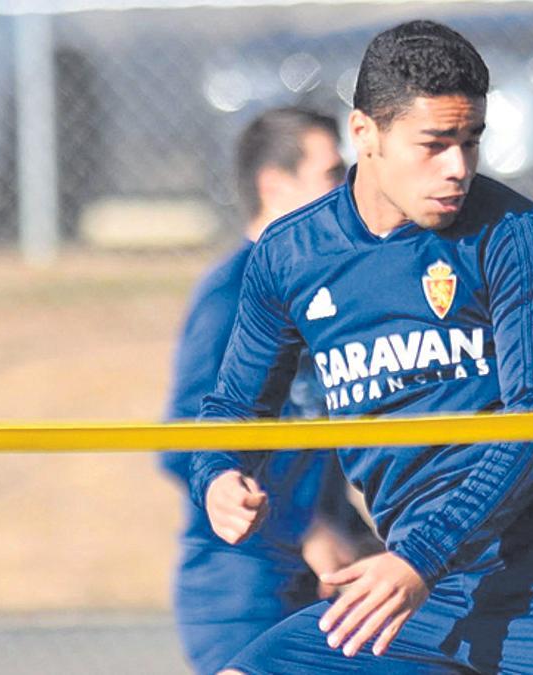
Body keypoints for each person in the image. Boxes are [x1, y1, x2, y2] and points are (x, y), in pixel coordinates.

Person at [186, 20, 533, 674]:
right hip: (415, 594)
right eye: (434, 143)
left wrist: (422, 554)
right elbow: (232, 407)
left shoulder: (515, 233)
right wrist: (216, 472)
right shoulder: (289, 255)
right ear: (364, 134)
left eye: (471, 141)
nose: (459, 168)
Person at [159, 106, 377, 675]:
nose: (347, 192)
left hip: (322, 578)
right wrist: (303, 526)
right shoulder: (231, 292)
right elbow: (183, 442)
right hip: (243, 587)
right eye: (331, 175)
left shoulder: (322, 290)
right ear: (275, 186)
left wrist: (353, 534)